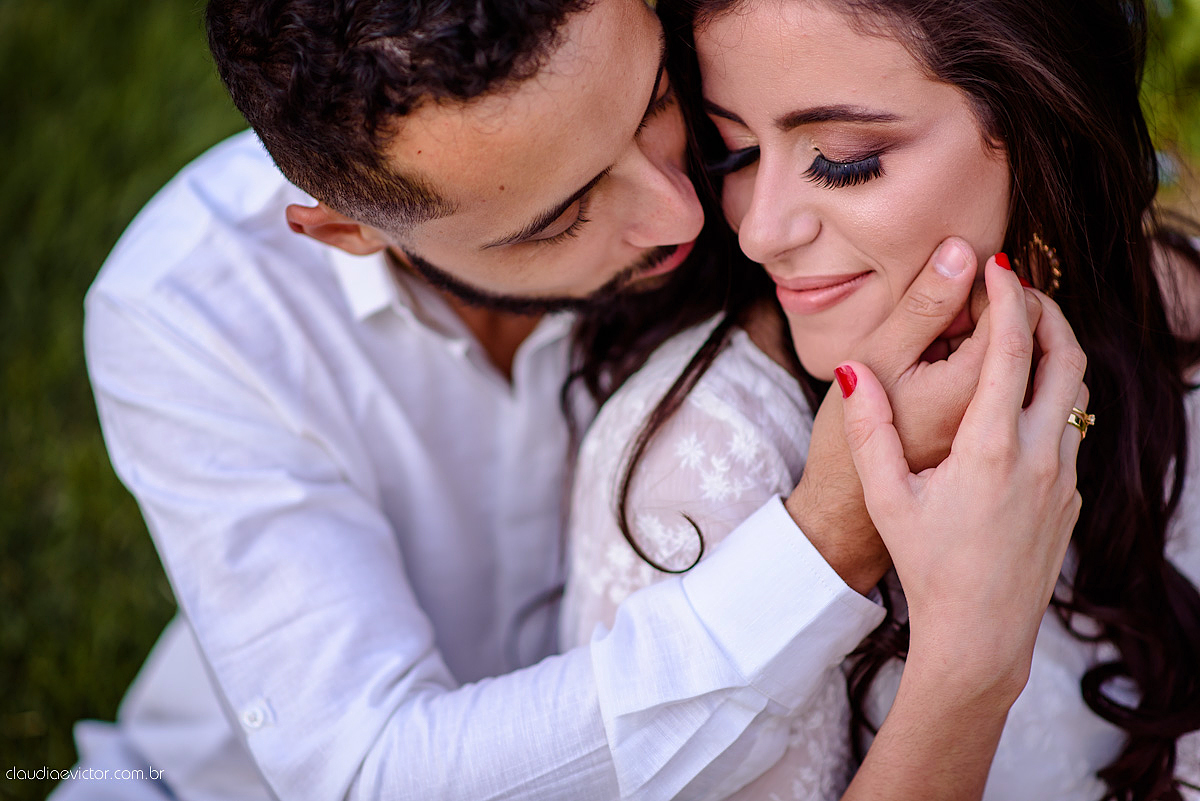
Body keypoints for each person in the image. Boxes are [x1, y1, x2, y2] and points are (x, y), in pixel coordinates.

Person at [57, 0, 1069, 799]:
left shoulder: (746, 182)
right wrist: (824, 541)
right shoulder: (190, 309)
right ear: (350, 230)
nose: (681, 210)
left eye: (657, 103)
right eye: (565, 214)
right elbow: (369, 776)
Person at [560, 0, 1200, 798]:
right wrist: (966, 669)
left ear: (1046, 134)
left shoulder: (1176, 319)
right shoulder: (705, 466)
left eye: (843, 158)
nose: (759, 232)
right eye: (735, 152)